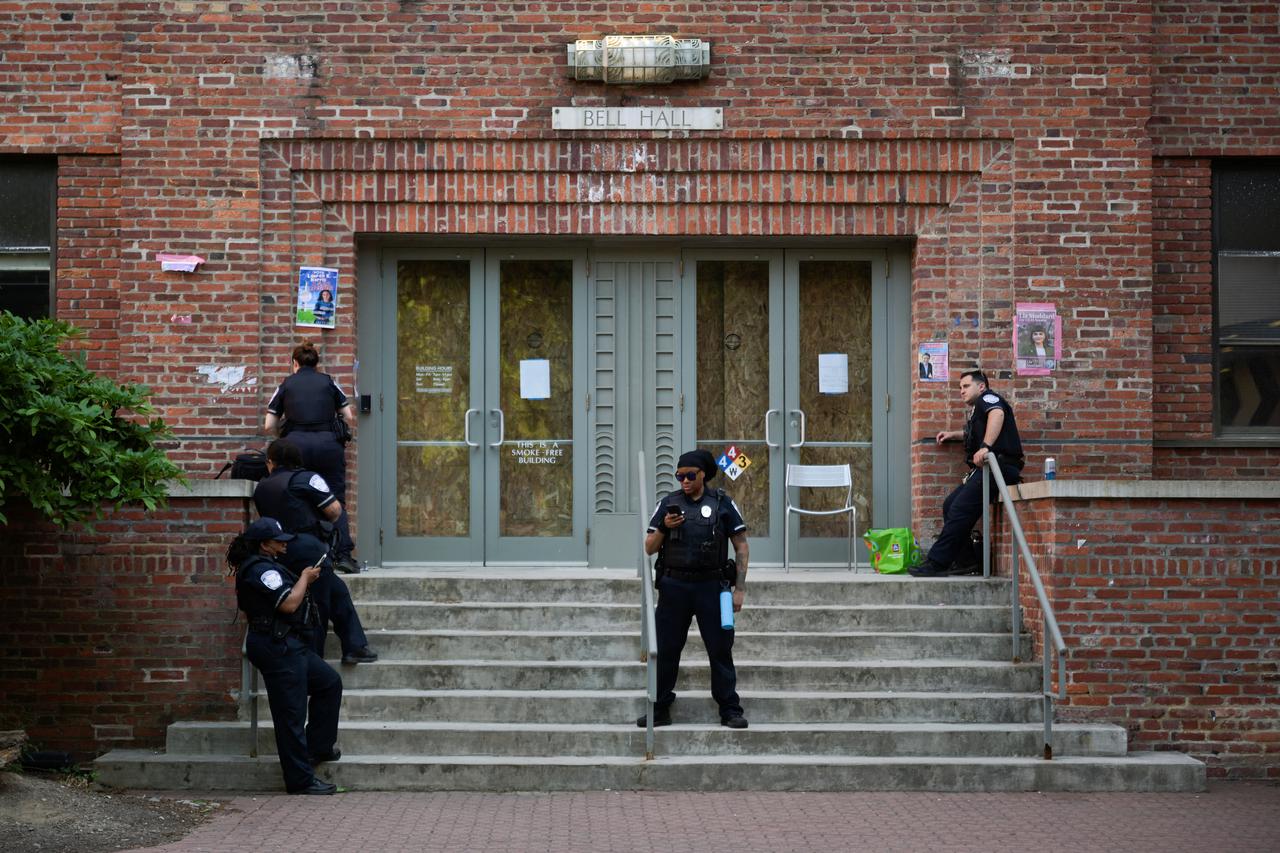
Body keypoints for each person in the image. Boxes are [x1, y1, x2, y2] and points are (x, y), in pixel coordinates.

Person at [228, 517, 342, 795]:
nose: (284, 545)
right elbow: (289, 603)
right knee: (290, 713)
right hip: (275, 645)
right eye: (279, 541)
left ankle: (317, 748)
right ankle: (300, 780)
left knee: (329, 683)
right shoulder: (261, 570)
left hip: (290, 643)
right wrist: (304, 578)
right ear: (264, 545)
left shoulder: (269, 565)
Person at [636, 449, 750, 729]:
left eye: (690, 475)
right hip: (675, 587)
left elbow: (741, 546)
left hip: (712, 586)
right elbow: (649, 548)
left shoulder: (723, 502)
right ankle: (660, 706)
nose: (684, 481)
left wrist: (740, 589)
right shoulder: (668, 503)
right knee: (666, 648)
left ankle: (730, 709)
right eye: (679, 475)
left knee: (720, 648)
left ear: (703, 475)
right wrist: (663, 527)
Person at [254, 439, 378, 664]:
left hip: (277, 551)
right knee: (319, 605)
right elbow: (334, 511)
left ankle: (355, 646)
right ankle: (314, 663)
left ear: (271, 462)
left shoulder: (263, 486)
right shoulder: (307, 478)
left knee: (337, 591)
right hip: (309, 550)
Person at [911, 369, 1024, 578]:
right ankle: (966, 561)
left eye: (965, 386)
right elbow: (975, 431)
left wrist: (986, 446)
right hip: (987, 469)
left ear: (981, 386)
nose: (961, 391)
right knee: (950, 505)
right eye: (960, 387)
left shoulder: (988, 398)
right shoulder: (977, 410)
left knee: (960, 508)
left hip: (998, 468)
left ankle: (937, 563)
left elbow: (997, 414)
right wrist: (953, 434)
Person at [265, 341, 360, 574]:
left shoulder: (286, 384)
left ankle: (303, 555)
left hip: (296, 447)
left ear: (294, 363)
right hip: (328, 447)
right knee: (335, 499)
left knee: (298, 497)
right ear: (316, 364)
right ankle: (343, 556)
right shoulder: (328, 382)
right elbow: (348, 414)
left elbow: (269, 425)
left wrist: (290, 432)